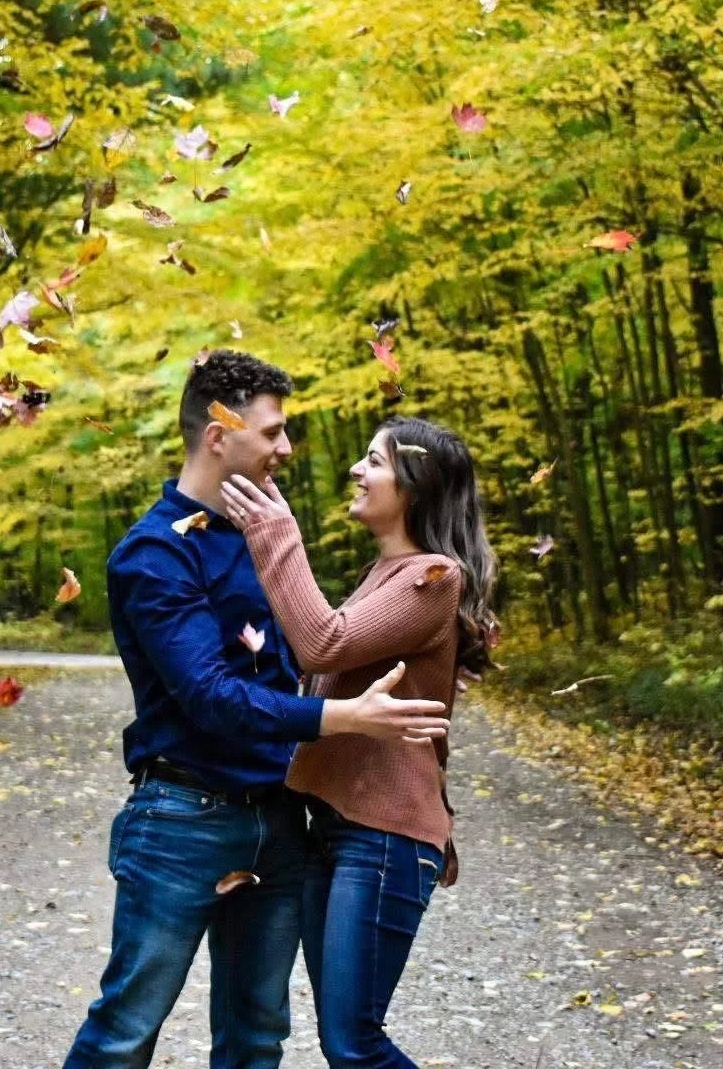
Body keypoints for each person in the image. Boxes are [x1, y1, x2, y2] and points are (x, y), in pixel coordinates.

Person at [64, 353, 453, 1068]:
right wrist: (343, 719)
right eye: (272, 432)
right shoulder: (153, 555)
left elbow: (315, 649)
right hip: (182, 821)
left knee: (256, 1034)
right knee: (125, 1029)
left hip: (279, 820)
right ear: (219, 435)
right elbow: (213, 697)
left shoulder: (262, 536)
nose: (287, 448)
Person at [220, 415, 498, 1068]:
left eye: (374, 460)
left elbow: (325, 642)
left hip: (385, 838)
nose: (356, 469)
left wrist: (277, 533)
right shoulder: (389, 571)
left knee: (354, 1044)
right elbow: (315, 661)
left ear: (415, 485)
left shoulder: (434, 577)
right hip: (341, 828)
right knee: (345, 1041)